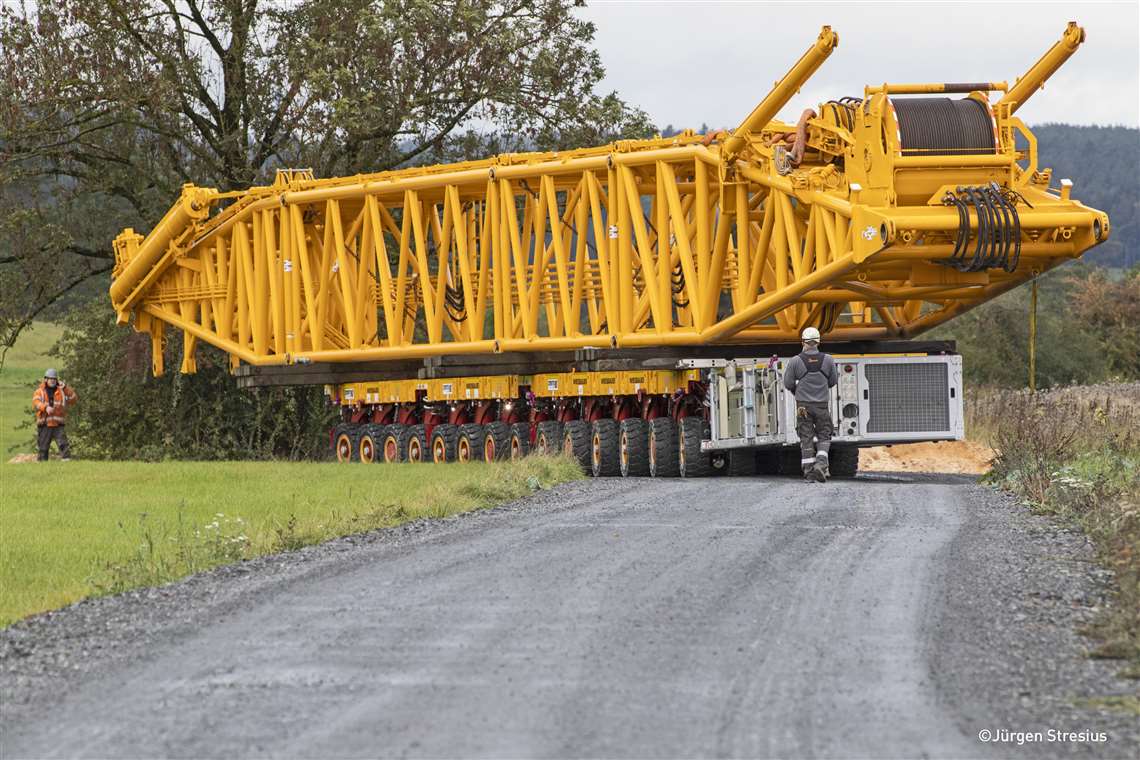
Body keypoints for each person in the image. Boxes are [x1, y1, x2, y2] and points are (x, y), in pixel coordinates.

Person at [783, 327, 838, 482]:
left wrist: (797, 391)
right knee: (824, 434)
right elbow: (833, 382)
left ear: (803, 341)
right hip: (821, 405)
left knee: (806, 436)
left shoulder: (795, 361)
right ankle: (821, 465)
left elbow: (788, 383)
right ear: (819, 341)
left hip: (803, 406)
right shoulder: (828, 360)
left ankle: (809, 472)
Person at [32, 368, 78, 461]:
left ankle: (68, 465)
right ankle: (42, 467)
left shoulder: (61, 390)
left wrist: (65, 388)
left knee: (64, 445)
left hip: (58, 424)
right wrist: (45, 407)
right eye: (50, 378)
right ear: (46, 379)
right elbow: (36, 402)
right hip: (45, 424)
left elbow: (74, 399)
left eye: (54, 379)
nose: (53, 380)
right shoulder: (40, 391)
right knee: (43, 448)